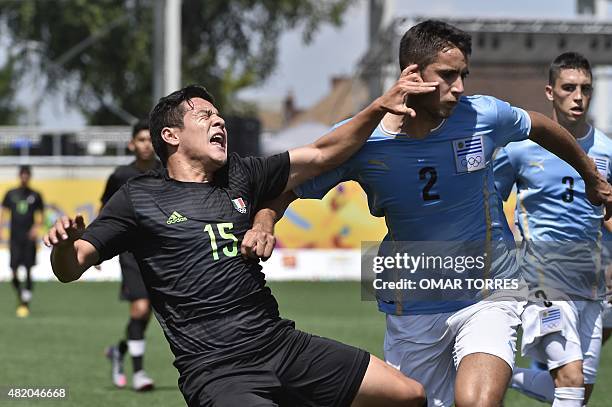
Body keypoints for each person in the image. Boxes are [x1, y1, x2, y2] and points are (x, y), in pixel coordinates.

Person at [244, 21, 612, 407]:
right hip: (415, 303)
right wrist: (265, 221)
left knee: (477, 403)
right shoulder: (364, 141)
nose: (460, 88)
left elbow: (539, 125)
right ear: (412, 74)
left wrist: (589, 175)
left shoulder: (482, 115)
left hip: (491, 292)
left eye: (463, 75)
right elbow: (290, 186)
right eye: (448, 76)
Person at [43, 74, 437, 406]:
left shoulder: (242, 174)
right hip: (216, 370)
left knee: (408, 394)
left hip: (280, 344)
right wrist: (64, 244)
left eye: (219, 115)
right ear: (171, 135)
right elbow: (72, 266)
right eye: (205, 115)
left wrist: (378, 108)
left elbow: (321, 153)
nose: (220, 122)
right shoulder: (138, 197)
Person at [494, 52, 612, 406]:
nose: (579, 97)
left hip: (590, 282)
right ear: (550, 92)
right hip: (541, 277)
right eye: (569, 88)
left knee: (577, 389)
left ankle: (498, 372)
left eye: (586, 89)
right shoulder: (520, 148)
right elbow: (489, 203)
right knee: (570, 378)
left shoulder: (606, 148)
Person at [101, 119, 162, 391]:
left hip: (161, 251)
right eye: (141, 140)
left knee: (145, 315)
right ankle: (139, 374)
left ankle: (119, 350)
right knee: (140, 308)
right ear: (131, 144)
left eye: (150, 139)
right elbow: (106, 213)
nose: (146, 144)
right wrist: (97, 249)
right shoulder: (120, 176)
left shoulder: (167, 172)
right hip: (130, 252)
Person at [1, 165, 44, 318]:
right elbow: (3, 213)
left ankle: (25, 303)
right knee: (13, 271)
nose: (24, 177)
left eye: (27, 175)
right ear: (19, 176)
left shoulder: (35, 195)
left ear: (29, 177)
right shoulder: (11, 194)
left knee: (28, 269)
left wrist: (36, 228)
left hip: (28, 240)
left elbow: (41, 216)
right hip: (15, 239)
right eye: (22, 174)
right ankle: (21, 294)